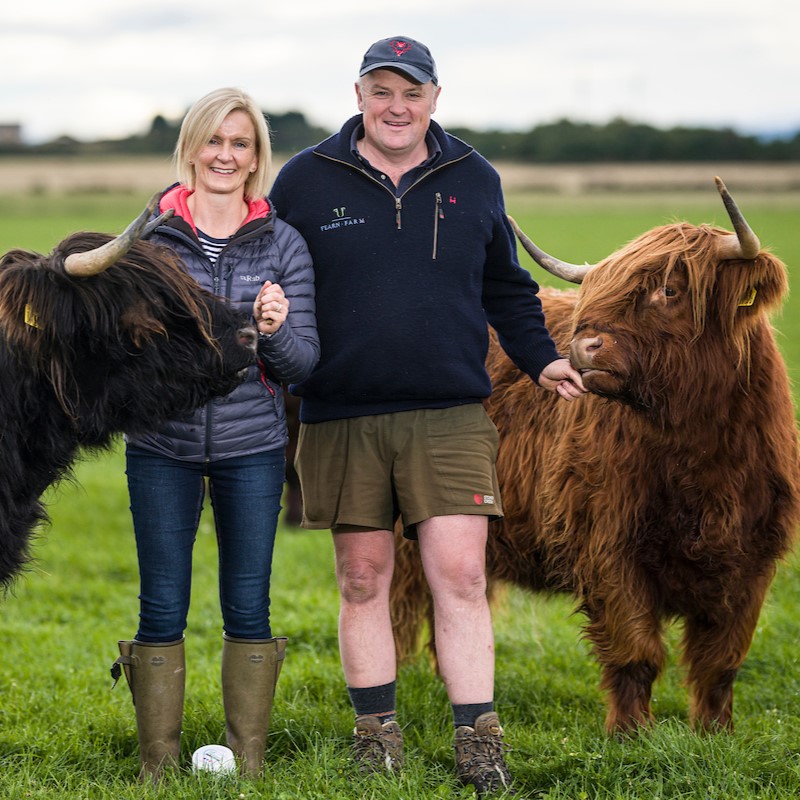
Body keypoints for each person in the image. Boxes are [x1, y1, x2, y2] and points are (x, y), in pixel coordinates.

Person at [268, 36, 585, 796]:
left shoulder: (473, 177)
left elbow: (506, 287)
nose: (396, 106)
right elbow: (268, 270)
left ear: (435, 98)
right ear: (358, 95)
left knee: (462, 575)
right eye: (381, 91)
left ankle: (479, 743)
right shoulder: (305, 179)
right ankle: (375, 738)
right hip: (340, 414)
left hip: (449, 414)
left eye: (411, 92)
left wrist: (541, 359)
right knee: (362, 579)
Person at [110, 87, 319, 782]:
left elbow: (303, 365)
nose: (225, 155)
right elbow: (121, 357)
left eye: (240, 143)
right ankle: (158, 764)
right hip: (160, 446)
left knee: (249, 604)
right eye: (214, 140)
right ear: (191, 149)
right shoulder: (149, 239)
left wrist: (275, 331)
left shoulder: (283, 243)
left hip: (252, 447)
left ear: (256, 157)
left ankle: (248, 761)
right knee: (161, 603)